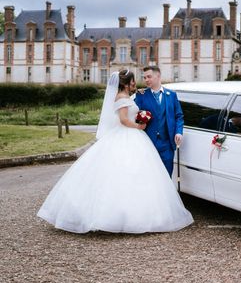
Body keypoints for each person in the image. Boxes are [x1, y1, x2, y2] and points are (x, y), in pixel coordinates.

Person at [37, 70, 193, 234]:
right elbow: (124, 120)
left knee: (144, 175)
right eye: (134, 81)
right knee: (125, 174)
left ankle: (142, 211)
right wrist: (139, 126)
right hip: (130, 135)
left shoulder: (139, 95)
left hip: (140, 138)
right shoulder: (124, 97)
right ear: (126, 83)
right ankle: (122, 216)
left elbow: (174, 115)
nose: (137, 83)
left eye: (146, 77)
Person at [134, 65, 184, 177]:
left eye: (149, 77)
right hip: (148, 144)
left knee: (166, 177)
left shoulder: (171, 95)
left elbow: (179, 116)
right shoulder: (141, 95)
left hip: (167, 145)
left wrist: (179, 132)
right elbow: (134, 116)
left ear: (158, 76)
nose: (146, 80)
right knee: (149, 177)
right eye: (145, 77)